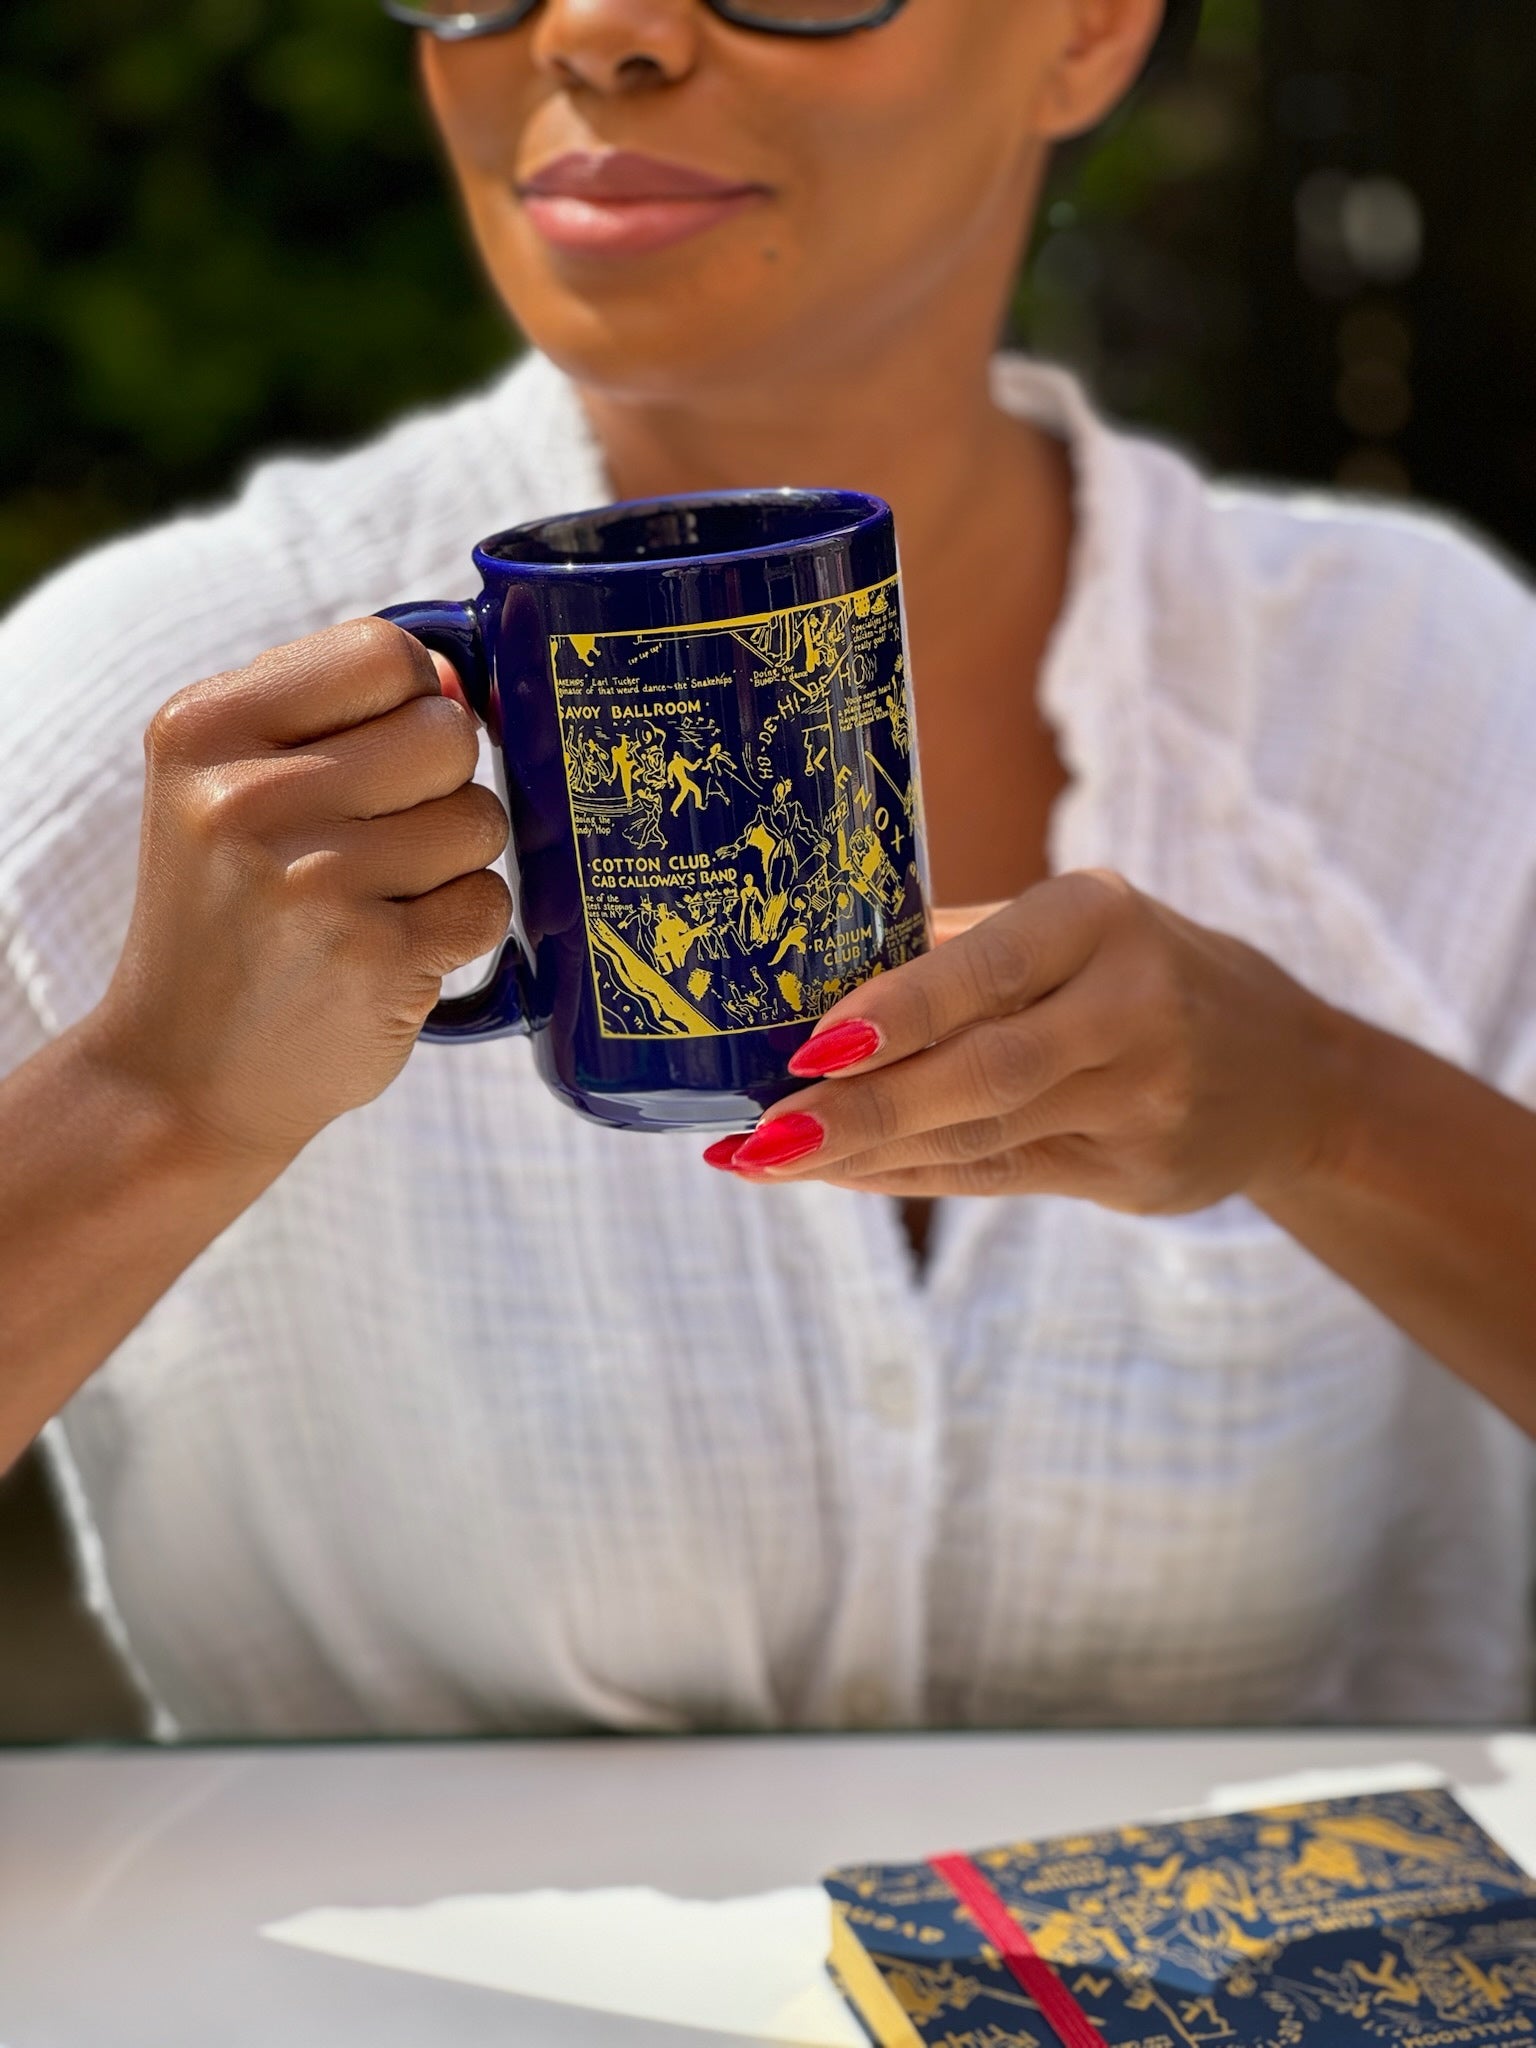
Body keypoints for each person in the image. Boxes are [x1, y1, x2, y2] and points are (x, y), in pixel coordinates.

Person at [0, 0, 1533, 1742]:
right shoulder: (171, 719)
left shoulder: (1420, 688)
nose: (593, 31)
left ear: (1091, 31)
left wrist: (1334, 1107)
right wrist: (151, 1101)